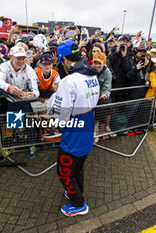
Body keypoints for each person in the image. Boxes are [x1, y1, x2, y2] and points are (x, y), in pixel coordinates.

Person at [54, 40, 99, 217]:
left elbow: (60, 116)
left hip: (73, 135)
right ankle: (75, 192)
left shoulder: (69, 81)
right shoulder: (92, 74)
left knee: (64, 172)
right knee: (77, 168)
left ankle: (79, 204)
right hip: (87, 130)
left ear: (64, 59)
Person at [91, 52, 112, 143]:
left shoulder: (108, 73)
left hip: (100, 97)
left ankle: (101, 127)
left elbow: (107, 87)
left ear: (104, 63)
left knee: (106, 104)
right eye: (95, 63)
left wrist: (104, 95)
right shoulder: (89, 71)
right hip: (90, 97)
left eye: (99, 63)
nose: (97, 65)